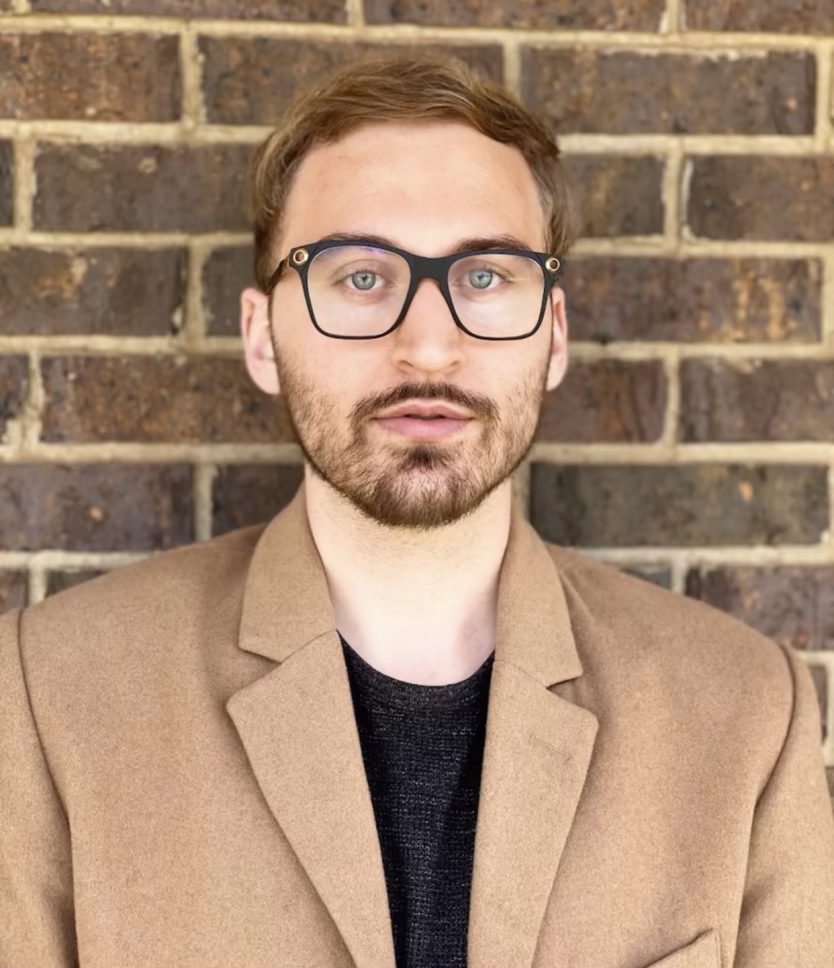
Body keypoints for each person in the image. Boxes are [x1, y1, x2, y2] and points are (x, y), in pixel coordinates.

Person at [1, 55, 832, 968]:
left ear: (552, 335)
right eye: (360, 277)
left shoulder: (744, 713)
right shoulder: (53, 695)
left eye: (485, 277)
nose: (427, 347)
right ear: (262, 337)